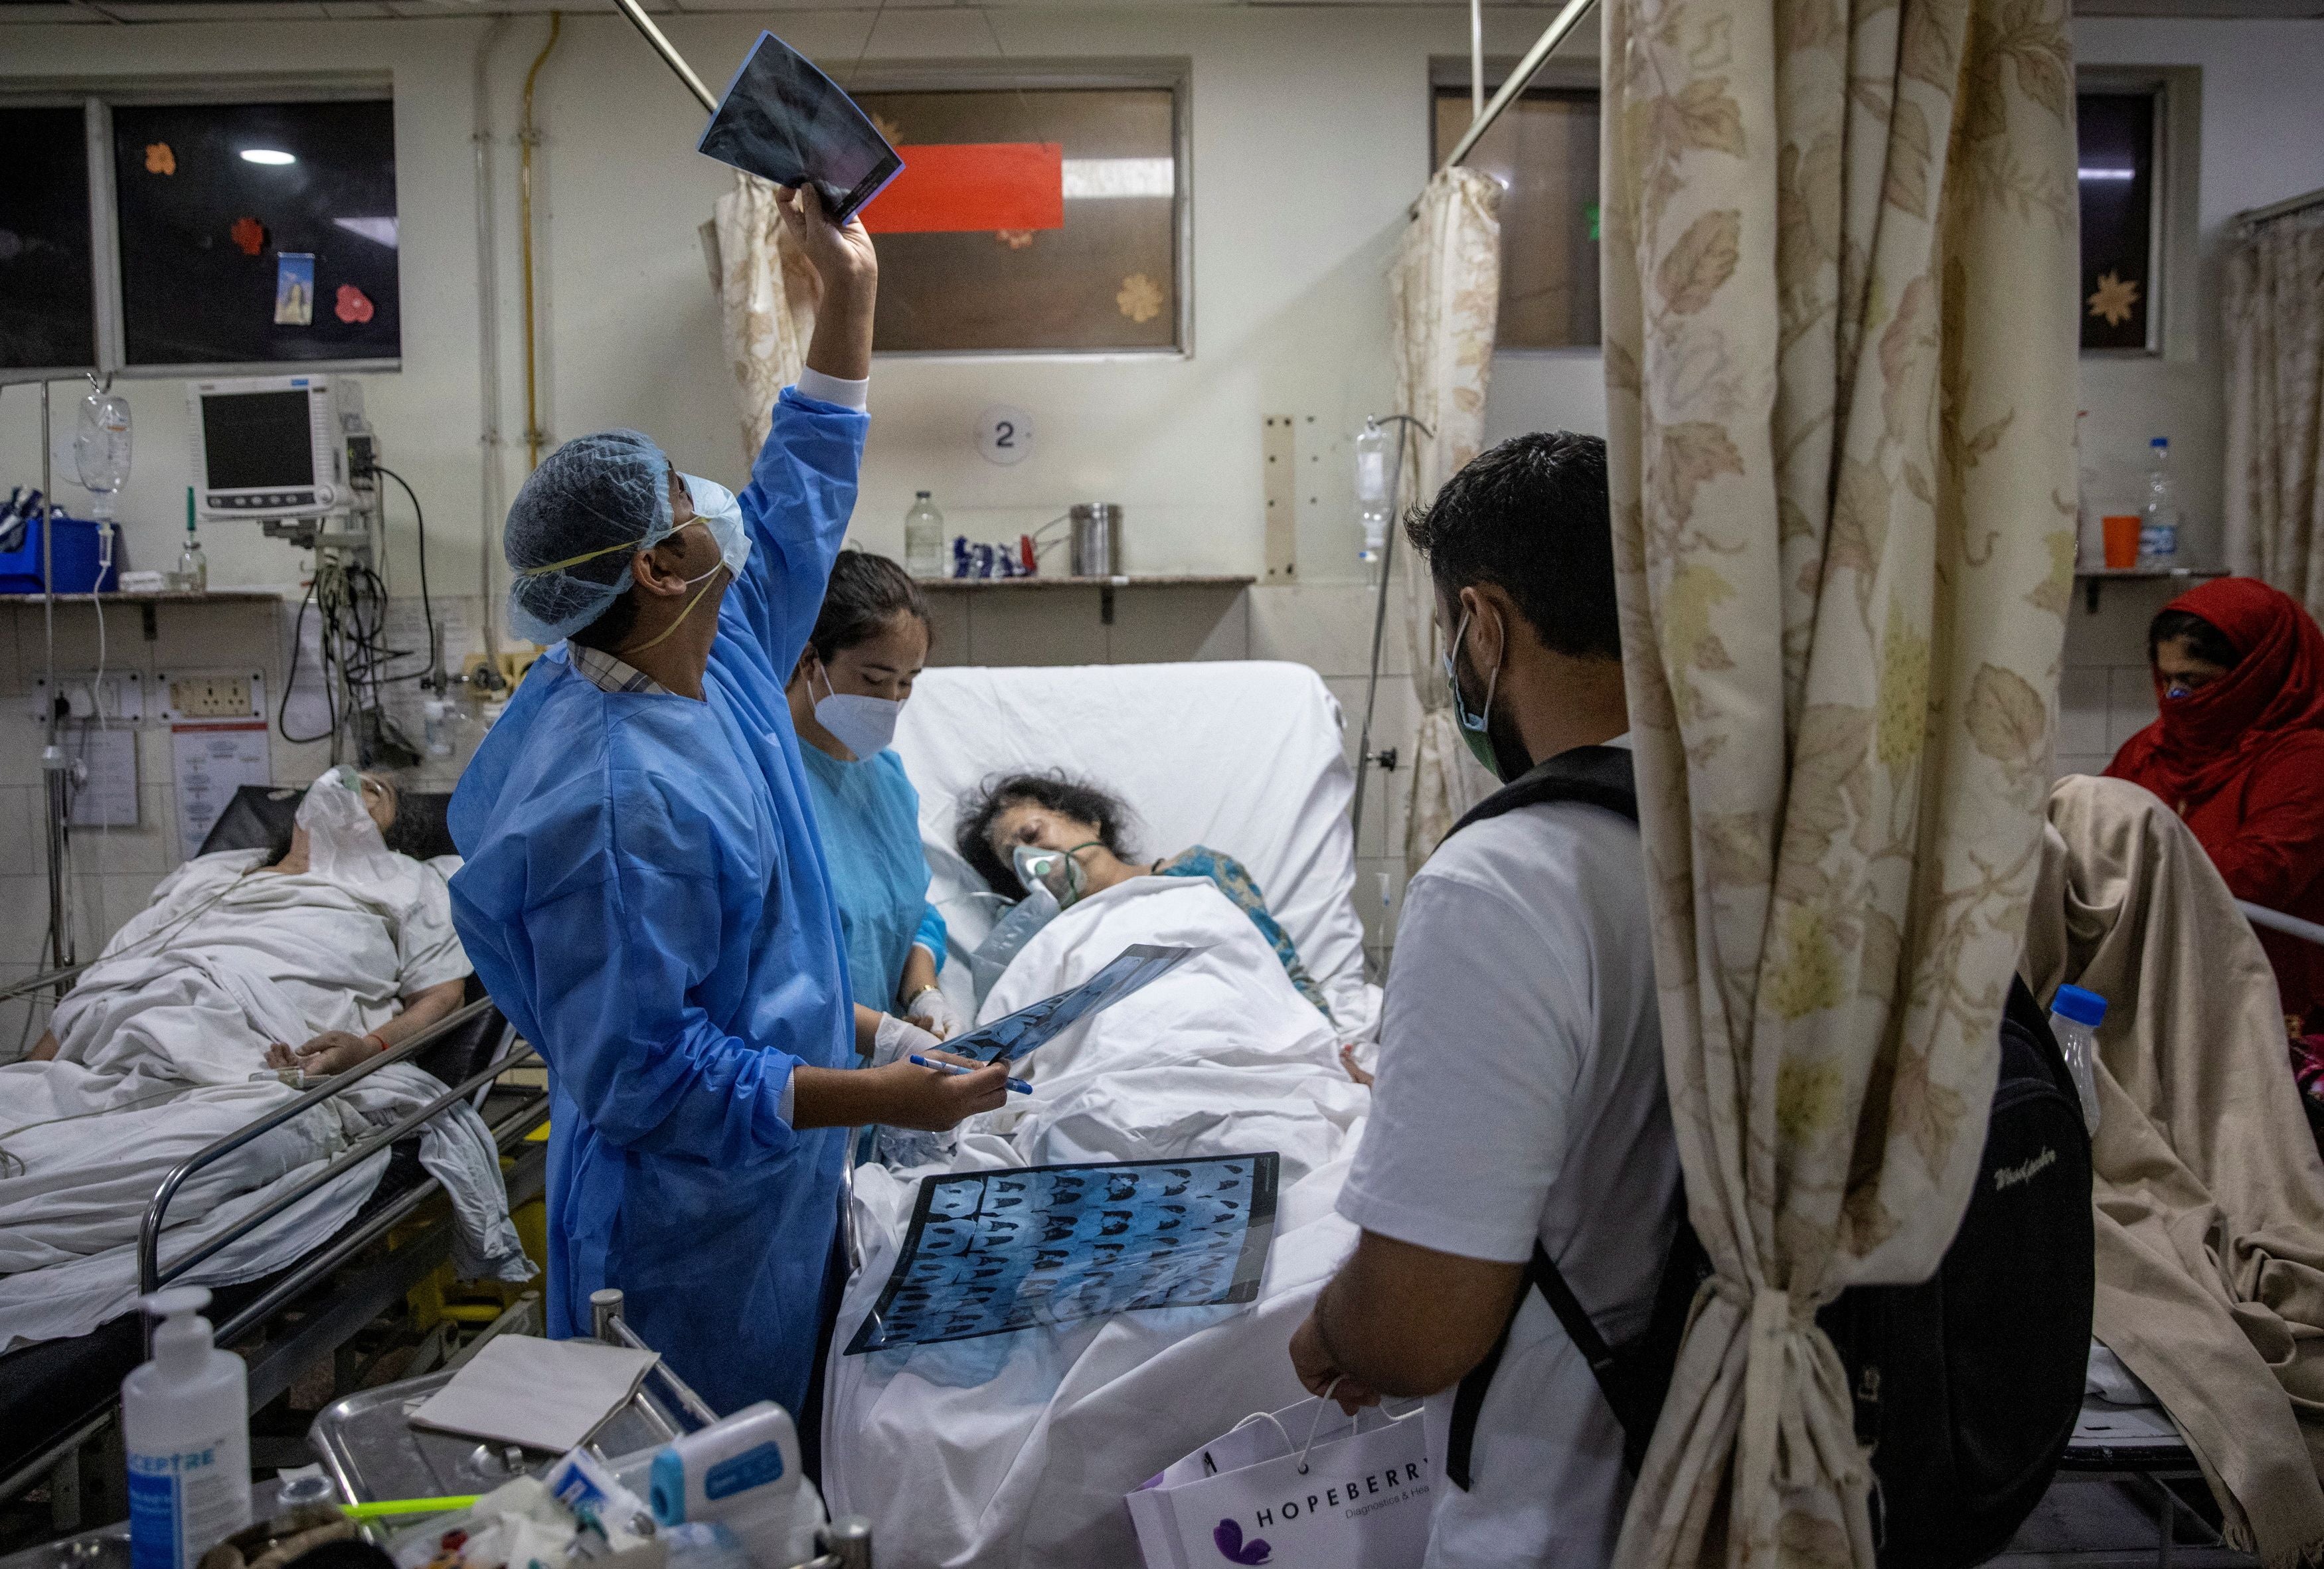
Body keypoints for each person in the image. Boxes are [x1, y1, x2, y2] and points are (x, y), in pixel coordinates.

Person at [447, 188, 1007, 1420]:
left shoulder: (720, 646)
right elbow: (654, 1076)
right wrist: (883, 1095)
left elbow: (800, 492)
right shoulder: (614, 799)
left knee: (781, 1485)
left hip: (774, 1193)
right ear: (655, 567)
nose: (721, 507)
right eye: (690, 504)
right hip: (674, 1243)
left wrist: (847, 296)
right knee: (688, 1510)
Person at [1285, 431, 1677, 1567]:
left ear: (1484, 625)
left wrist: (1333, 1325)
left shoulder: (1506, 879)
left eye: (1453, 635)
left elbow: (1415, 1325)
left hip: (1577, 1503)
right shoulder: (1763, 830)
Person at [29, 768, 467, 1073]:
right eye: (341, 776)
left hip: (267, 1031)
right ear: (300, 814)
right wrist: (33, 1072)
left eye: (373, 789)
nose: (350, 783)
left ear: (389, 830)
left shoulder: (410, 880)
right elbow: (106, 981)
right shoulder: (211, 875)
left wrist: (369, 1049)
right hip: (142, 1016)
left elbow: (441, 995)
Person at [2105, 577, 2324, 1040]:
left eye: (2193, 681)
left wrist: (2131, 857)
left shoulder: (2304, 759)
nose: (2176, 699)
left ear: (2255, 675)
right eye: (2165, 680)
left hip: (2269, 1016)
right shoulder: (2150, 749)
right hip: (2160, 999)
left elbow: (2260, 875)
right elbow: (2093, 827)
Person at [955, 771, 1334, 1018]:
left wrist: (1331, 1052)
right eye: (1013, 859)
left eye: (1033, 835)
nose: (1031, 858)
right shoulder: (1032, 927)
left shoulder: (1201, 871)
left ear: (1089, 821)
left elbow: (1281, 967)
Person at [785, 549, 959, 1041]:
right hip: (800, 1085)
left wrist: (924, 991)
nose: (892, 702)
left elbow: (911, 912)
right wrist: (884, 1038)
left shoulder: (888, 780)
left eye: (907, 682)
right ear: (808, 658)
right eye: (875, 679)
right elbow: (773, 974)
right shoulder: (766, 781)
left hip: (878, 1094)